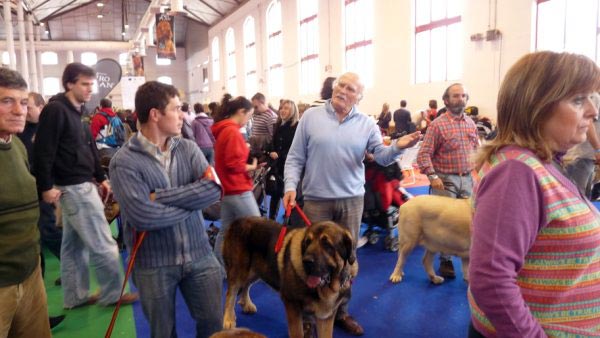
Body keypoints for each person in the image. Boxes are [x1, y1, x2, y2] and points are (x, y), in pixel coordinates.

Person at [468, 51, 600, 337]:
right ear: (537, 107)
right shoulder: (517, 171)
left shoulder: (543, 162)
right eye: (578, 100)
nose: (593, 111)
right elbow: (491, 279)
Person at [283, 72, 420, 336]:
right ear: (333, 89)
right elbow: (295, 158)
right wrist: (290, 186)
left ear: (359, 97)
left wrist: (398, 147)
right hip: (316, 200)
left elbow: (381, 157)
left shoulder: (367, 123)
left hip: (351, 201)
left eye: (351, 89)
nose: (343, 91)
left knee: (346, 261)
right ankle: (311, 317)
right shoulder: (311, 117)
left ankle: (340, 312)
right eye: (341, 86)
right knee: (313, 259)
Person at [109, 81, 224, 338]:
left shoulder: (188, 148)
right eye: (176, 108)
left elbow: (213, 190)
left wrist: (160, 196)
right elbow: (143, 216)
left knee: (214, 327)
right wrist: (191, 207)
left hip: (200, 256)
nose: (182, 115)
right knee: (163, 333)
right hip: (153, 264)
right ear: (155, 114)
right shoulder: (124, 162)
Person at [33, 62, 137, 309]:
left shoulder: (76, 110)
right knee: (103, 243)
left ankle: (75, 296)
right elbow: (43, 151)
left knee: (73, 247)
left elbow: (88, 147)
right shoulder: (56, 111)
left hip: (80, 184)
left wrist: (100, 177)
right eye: (85, 84)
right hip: (74, 187)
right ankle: (112, 293)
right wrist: (45, 186)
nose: (91, 89)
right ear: (69, 83)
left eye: (92, 84)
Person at [0, 67, 51, 338]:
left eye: (22, 102)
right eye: (6, 101)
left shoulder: (16, 145)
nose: (19, 110)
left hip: (29, 274)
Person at [416, 83, 479, 279]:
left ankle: (468, 266)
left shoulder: (471, 124)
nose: (460, 99)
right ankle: (445, 261)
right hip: (445, 181)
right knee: (444, 223)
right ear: (446, 100)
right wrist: (433, 176)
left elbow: (478, 151)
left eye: (463, 95)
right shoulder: (437, 125)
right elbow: (423, 154)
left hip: (467, 179)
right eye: (456, 96)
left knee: (470, 223)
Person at [211, 95, 261, 267]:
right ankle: (257, 267)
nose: (249, 120)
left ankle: (219, 265)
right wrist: (251, 167)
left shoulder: (225, 130)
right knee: (258, 228)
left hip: (228, 189)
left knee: (226, 230)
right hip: (238, 189)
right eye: (249, 115)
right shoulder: (232, 132)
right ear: (241, 112)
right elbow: (234, 164)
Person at [266, 99, 299, 220]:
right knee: (275, 193)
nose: (283, 111)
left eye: (286, 108)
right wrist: (271, 152)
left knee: (289, 193)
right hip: (277, 165)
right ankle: (272, 218)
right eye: (282, 108)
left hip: (289, 165)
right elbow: (273, 143)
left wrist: (279, 154)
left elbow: (295, 148)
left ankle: (289, 218)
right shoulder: (278, 124)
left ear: (292, 111)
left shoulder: (296, 126)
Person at [564, 116, 600, 199]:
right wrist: (598, 149)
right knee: (576, 199)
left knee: (584, 199)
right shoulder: (593, 104)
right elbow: (587, 120)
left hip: (589, 157)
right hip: (581, 156)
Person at [250, 92, 277, 161]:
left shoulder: (271, 116)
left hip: (264, 153)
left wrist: (255, 139)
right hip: (256, 150)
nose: (254, 109)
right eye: (253, 107)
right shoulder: (256, 114)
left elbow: (272, 137)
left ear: (263, 103)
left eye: (256, 107)